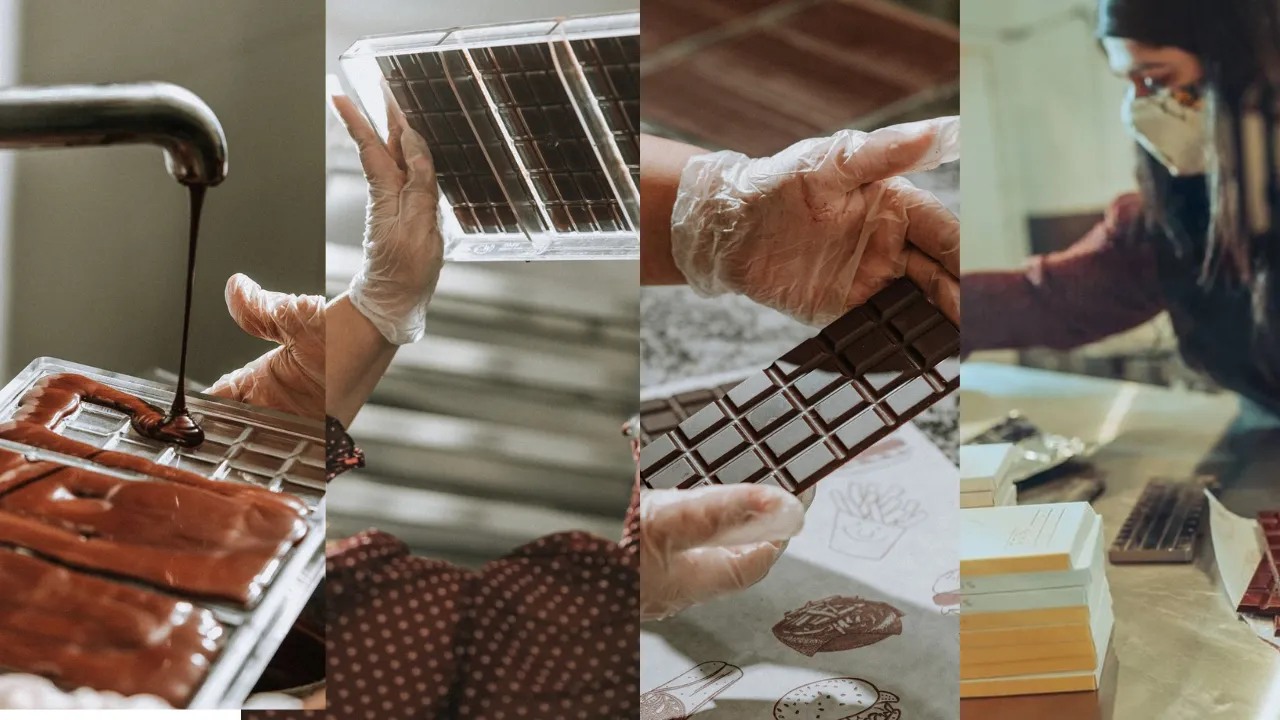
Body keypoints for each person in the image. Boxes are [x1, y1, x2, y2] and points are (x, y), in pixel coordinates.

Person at [963, 0, 1280, 418]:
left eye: (1155, 79)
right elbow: (1058, 302)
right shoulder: (1177, 214)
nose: (1139, 106)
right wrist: (932, 310)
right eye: (1131, 83)